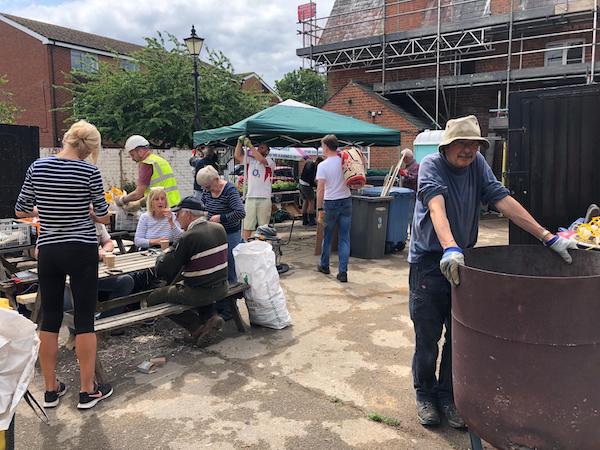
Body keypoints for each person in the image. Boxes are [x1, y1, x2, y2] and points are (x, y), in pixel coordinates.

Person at [408, 115, 577, 428]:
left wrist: (546, 236)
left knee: (458, 335)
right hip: (431, 262)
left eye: (474, 144)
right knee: (427, 337)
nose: (469, 150)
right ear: (447, 145)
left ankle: (448, 395)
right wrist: (449, 247)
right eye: (462, 143)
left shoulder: (478, 165)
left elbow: (503, 200)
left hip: (461, 260)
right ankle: (425, 394)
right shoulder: (432, 165)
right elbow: (436, 208)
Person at [15, 120, 114, 410]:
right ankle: (86, 391)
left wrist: (43, 209)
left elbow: (21, 209)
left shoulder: (38, 166)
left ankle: (50, 389)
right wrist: (88, 211)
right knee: (85, 320)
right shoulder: (90, 171)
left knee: (50, 319)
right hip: (82, 249)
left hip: (49, 250)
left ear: (67, 138)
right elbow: (104, 216)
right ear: (90, 147)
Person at [147, 196, 229, 347]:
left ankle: (196, 328)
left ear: (187, 214)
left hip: (199, 292)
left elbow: (164, 268)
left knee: (153, 298)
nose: (177, 218)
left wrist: (166, 253)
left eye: (178, 214)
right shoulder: (219, 228)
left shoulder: (189, 237)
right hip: (222, 287)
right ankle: (211, 318)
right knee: (201, 282)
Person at [196, 165, 245, 283]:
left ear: (216, 179)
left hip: (230, 234)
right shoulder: (207, 192)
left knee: (230, 264)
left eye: (208, 187)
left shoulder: (230, 190)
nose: (206, 190)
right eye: (204, 187)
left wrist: (221, 218)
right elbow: (202, 207)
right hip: (213, 234)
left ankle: (232, 291)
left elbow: (240, 213)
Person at [316, 134, 352, 283]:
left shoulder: (322, 165)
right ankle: (343, 272)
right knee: (344, 238)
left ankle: (325, 265)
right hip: (346, 201)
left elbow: (320, 189)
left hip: (330, 203)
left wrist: (319, 209)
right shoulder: (344, 162)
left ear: (326, 147)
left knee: (328, 235)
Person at [117, 135, 181, 208]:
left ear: (140, 151)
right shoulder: (160, 161)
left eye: (132, 154)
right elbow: (156, 191)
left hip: (161, 209)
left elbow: (138, 194)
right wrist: (139, 203)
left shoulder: (147, 164)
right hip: (174, 205)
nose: (132, 158)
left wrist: (121, 200)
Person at [234, 136, 276, 240]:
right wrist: (239, 143)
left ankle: (263, 247)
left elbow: (262, 160)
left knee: (263, 227)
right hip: (250, 197)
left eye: (262, 148)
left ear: (267, 151)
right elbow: (237, 155)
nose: (259, 149)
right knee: (247, 225)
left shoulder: (270, 161)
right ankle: (245, 244)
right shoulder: (250, 161)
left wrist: (250, 146)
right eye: (259, 147)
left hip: (264, 198)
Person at [299, 155, 323, 226]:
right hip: (306, 185)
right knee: (311, 201)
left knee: (305, 201)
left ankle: (305, 220)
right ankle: (312, 220)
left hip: (301, 184)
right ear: (318, 162)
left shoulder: (309, 163)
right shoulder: (312, 165)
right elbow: (311, 179)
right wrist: (317, 185)